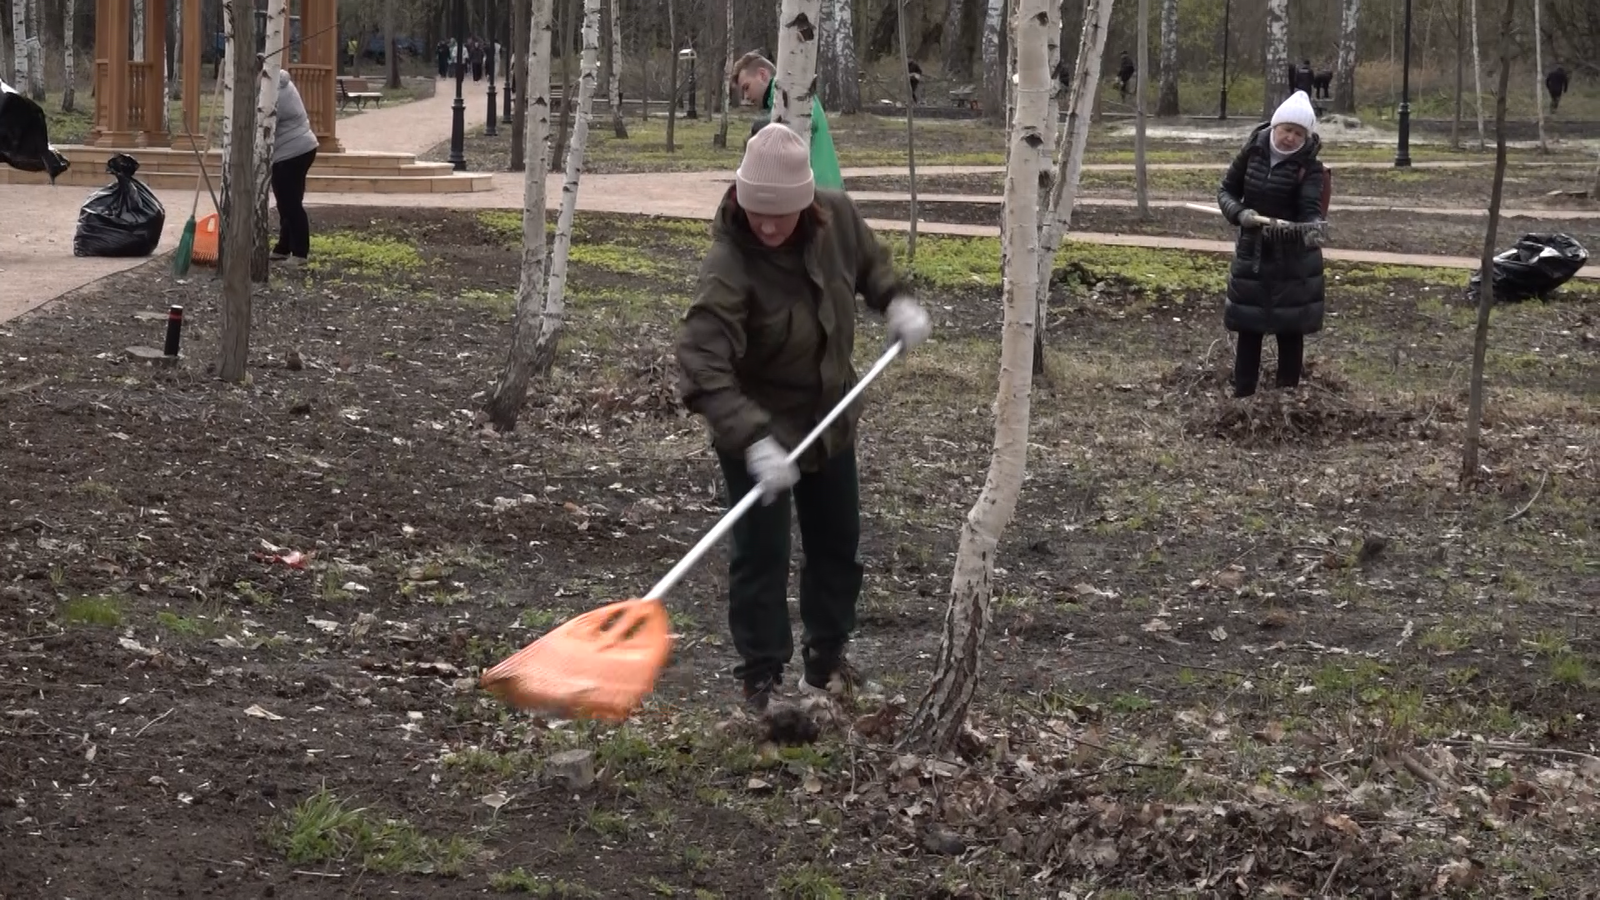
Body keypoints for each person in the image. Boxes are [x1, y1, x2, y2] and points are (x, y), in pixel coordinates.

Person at [674, 123, 933, 713]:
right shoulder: (729, 262)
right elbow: (701, 360)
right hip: (758, 428)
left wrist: (896, 301)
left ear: (805, 203)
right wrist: (753, 439)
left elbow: (871, 267)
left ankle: (826, 662)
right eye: (757, 213)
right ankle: (761, 678)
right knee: (760, 554)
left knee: (837, 543)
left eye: (780, 215)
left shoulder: (836, 219)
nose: (767, 226)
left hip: (829, 416)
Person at [1216, 90, 1326, 398]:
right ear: (1275, 126)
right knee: (1249, 327)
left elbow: (1310, 210)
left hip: (1292, 259)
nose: (1291, 138)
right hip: (1252, 254)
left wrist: (1311, 229)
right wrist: (1241, 214)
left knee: (1289, 330)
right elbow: (1226, 191)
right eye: (1287, 129)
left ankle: (1285, 400)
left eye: (1299, 133)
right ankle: (1243, 396)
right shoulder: (1252, 152)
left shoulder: (1309, 167)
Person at [730, 51, 843, 190]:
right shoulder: (786, 97)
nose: (746, 97)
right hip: (822, 187)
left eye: (746, 88)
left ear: (762, 75)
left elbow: (802, 120)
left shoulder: (790, 92)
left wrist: (764, 128)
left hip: (818, 190)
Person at [270, 69, 320, 265]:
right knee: (286, 201)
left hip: (292, 152)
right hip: (300, 148)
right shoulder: (279, 83)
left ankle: (300, 252)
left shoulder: (275, 91)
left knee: (290, 203)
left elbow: (265, 123)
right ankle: (284, 247)